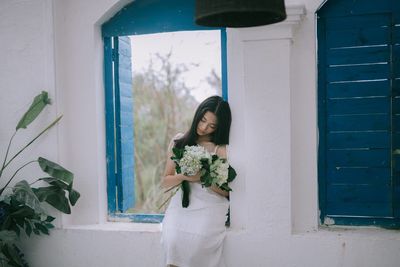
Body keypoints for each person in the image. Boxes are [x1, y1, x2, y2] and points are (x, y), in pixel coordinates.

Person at [161, 95, 232, 267]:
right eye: (202, 120)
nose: (204, 127)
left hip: (211, 203)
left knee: (198, 242)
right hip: (183, 203)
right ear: (197, 115)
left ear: (218, 127)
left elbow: (227, 192)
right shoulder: (179, 141)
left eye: (212, 126)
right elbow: (165, 181)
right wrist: (186, 176)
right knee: (173, 239)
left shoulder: (219, 149)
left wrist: (204, 177)